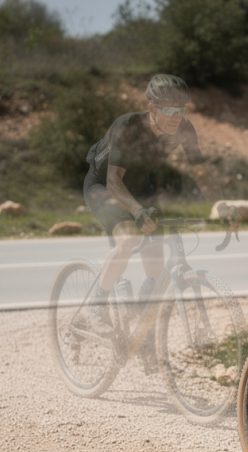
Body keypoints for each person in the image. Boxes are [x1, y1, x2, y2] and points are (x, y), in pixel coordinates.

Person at [82, 74, 203, 333]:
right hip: (104, 186)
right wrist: (136, 211)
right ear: (151, 107)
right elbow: (114, 181)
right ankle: (97, 306)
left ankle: (138, 314)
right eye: (169, 109)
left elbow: (204, 173)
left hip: (141, 187)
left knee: (156, 260)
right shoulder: (128, 126)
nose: (176, 116)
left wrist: (225, 204)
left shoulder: (184, 128)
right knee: (127, 241)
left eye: (181, 110)